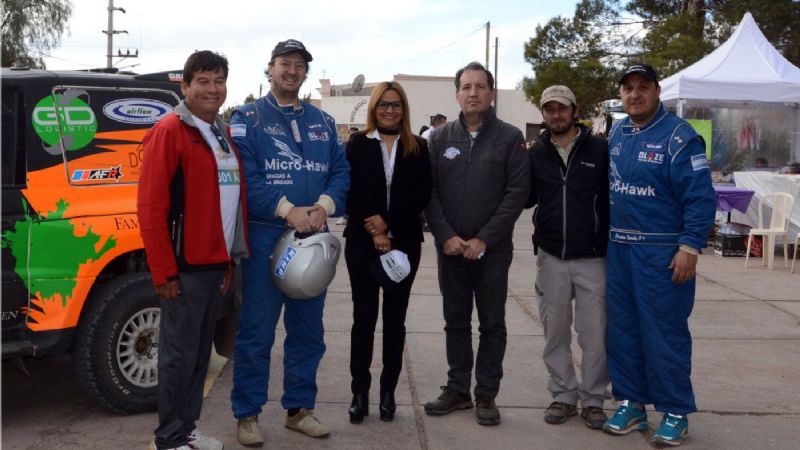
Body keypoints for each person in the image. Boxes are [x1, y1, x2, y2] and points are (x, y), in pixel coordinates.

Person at [228, 39, 350, 447]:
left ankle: (299, 409)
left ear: (305, 73)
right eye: (285, 63)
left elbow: (340, 170)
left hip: (313, 235)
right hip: (266, 235)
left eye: (299, 65)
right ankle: (247, 414)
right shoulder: (246, 117)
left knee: (308, 331)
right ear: (270, 67)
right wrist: (286, 209)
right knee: (257, 331)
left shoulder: (323, 121)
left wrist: (322, 206)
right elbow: (245, 176)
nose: (292, 71)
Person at [139, 50, 247, 450]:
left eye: (218, 80)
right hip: (182, 268)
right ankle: (169, 438)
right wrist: (163, 271)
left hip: (214, 264)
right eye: (202, 81)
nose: (212, 88)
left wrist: (227, 260)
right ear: (185, 87)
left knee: (201, 355)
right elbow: (151, 207)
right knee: (177, 357)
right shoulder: (170, 130)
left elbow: (227, 201)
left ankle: (187, 428)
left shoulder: (220, 131)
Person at [603, 63, 715, 446]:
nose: (634, 94)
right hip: (620, 250)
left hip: (663, 252)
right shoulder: (617, 131)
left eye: (643, 87)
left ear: (657, 91)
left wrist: (689, 246)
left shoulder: (681, 137)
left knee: (663, 333)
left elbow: (701, 199)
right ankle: (632, 402)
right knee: (622, 331)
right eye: (628, 88)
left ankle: (675, 411)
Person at [423, 62, 530, 426]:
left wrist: (484, 238)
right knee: (455, 321)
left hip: (493, 251)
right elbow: (430, 193)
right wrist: (446, 236)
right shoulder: (439, 138)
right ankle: (457, 389)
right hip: (450, 249)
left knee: (491, 323)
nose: (473, 93)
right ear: (457, 94)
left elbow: (516, 194)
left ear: (491, 93)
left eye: (480, 86)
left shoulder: (511, 137)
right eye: (466, 87)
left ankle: (486, 394)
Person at [343, 81, 432, 424]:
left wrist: (388, 223)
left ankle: (388, 392)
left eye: (396, 105)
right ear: (374, 108)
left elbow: (422, 193)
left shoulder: (418, 147)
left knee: (395, 321)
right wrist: (375, 228)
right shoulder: (358, 144)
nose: (390, 110)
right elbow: (351, 190)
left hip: (405, 245)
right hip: (362, 244)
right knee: (363, 320)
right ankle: (359, 392)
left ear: (403, 109)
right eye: (384, 104)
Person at [527, 85, 610, 430]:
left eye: (562, 108)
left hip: (592, 257)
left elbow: (612, 199)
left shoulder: (600, 150)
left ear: (574, 110)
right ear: (543, 115)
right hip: (551, 257)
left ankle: (593, 399)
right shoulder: (536, 153)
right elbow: (524, 197)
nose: (556, 115)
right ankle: (563, 395)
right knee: (555, 333)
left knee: (595, 334)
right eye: (549, 109)